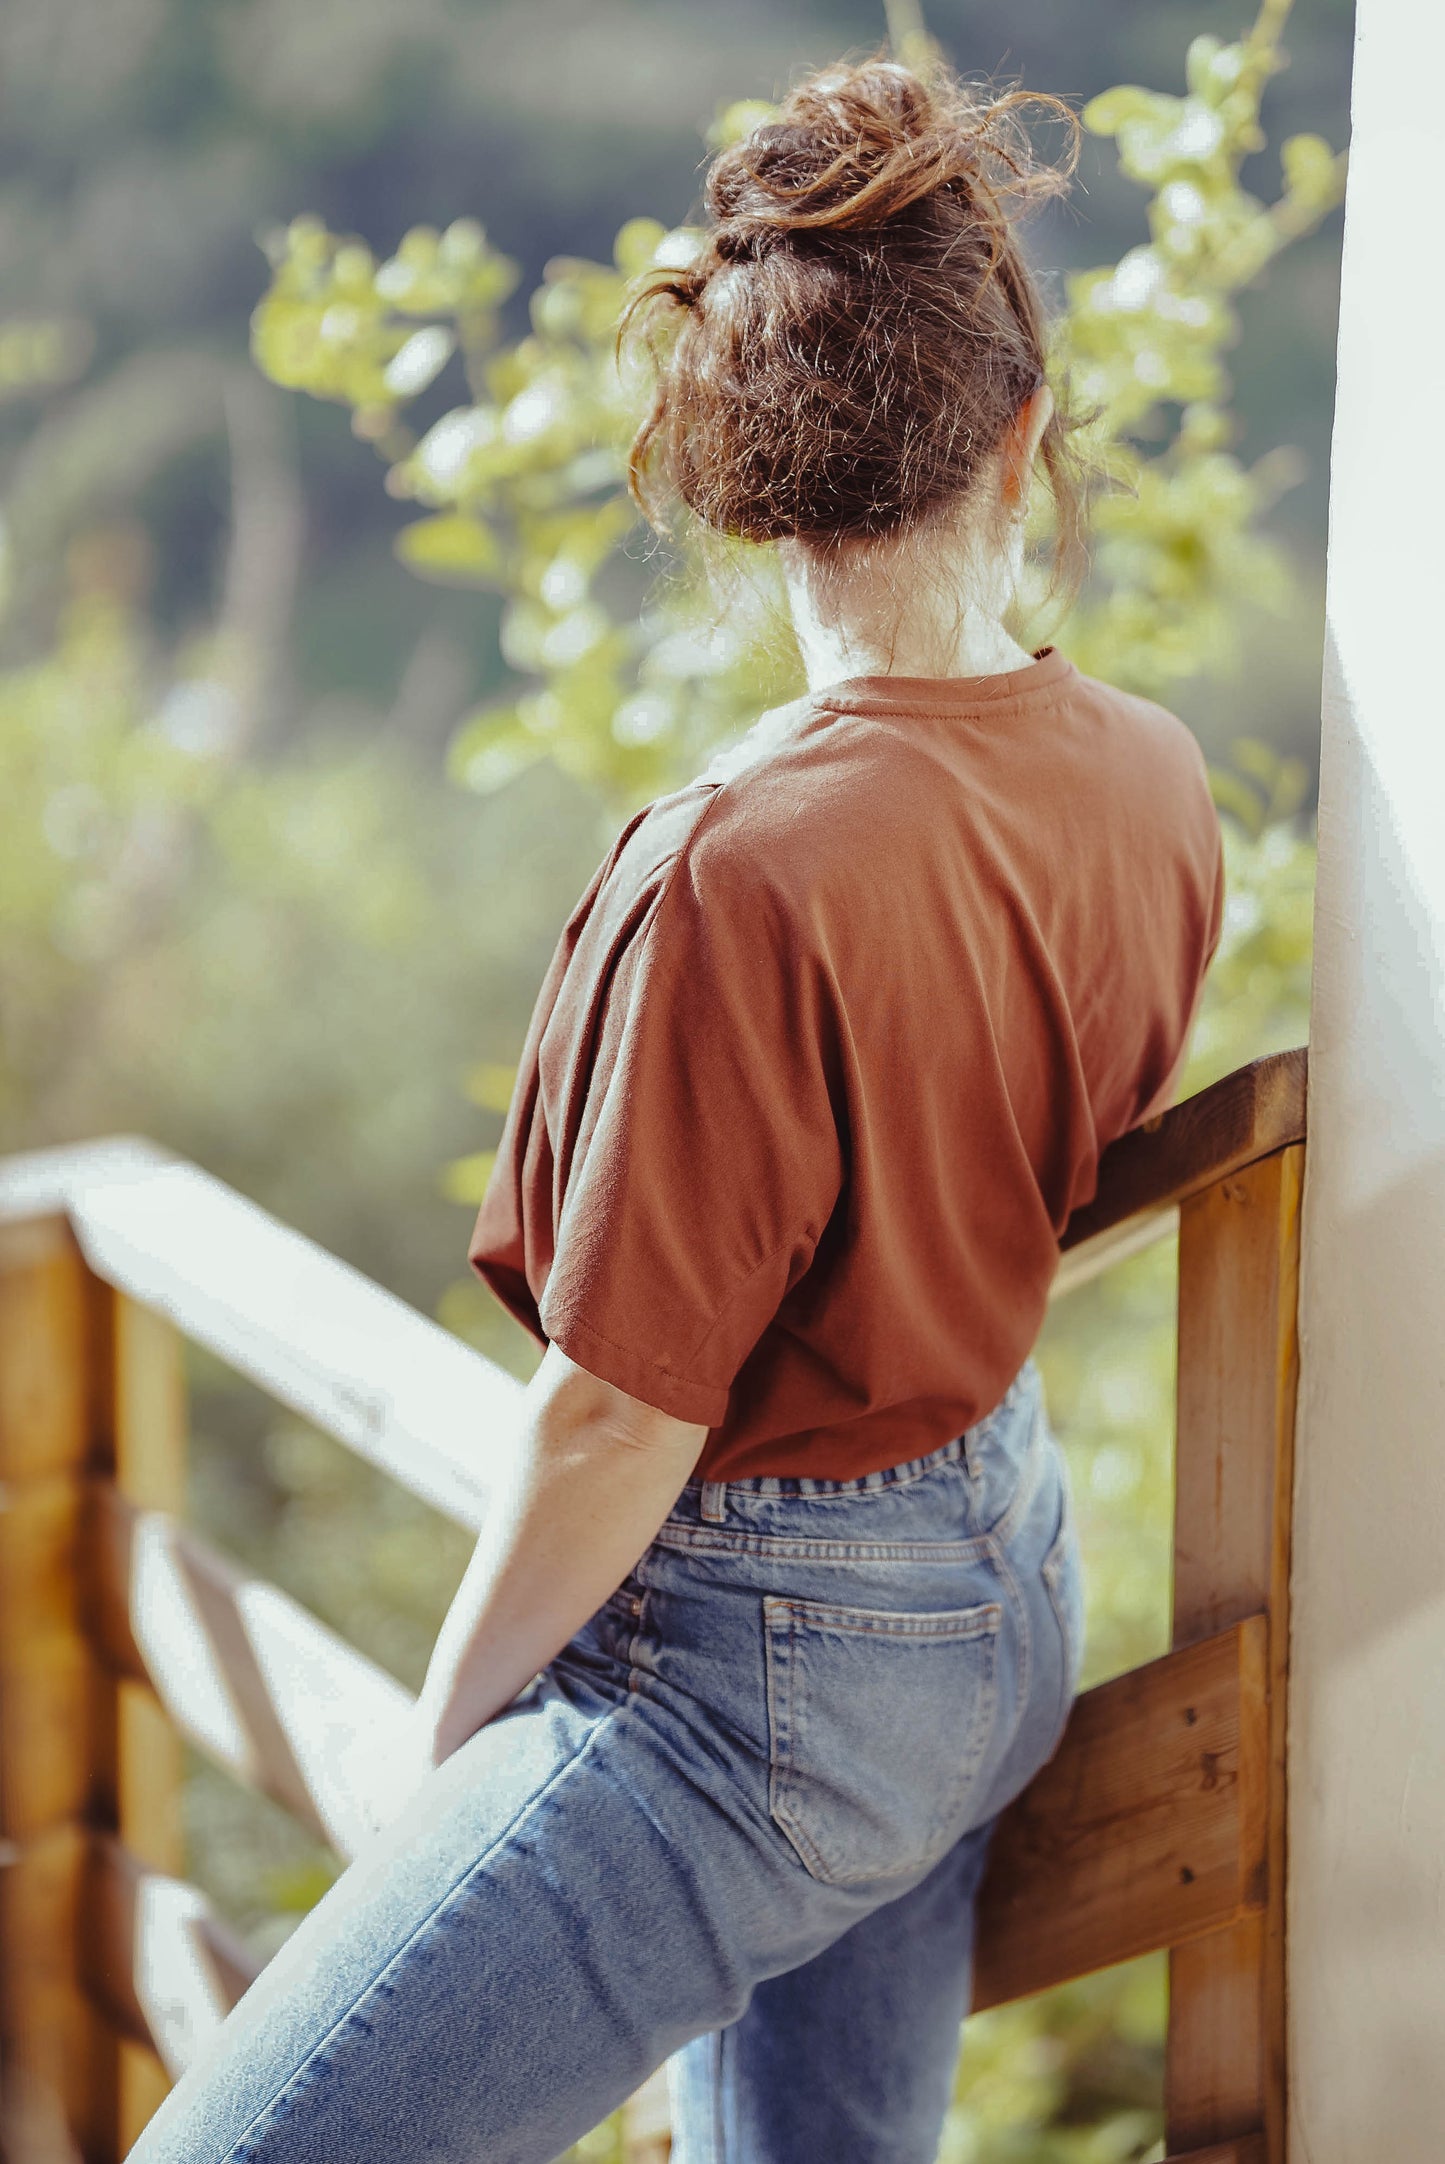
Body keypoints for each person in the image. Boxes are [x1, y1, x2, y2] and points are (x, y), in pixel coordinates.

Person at [130, 53, 1224, 2164]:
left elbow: (618, 1416)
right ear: (1024, 435)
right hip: (1003, 1576)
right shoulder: (1151, 775)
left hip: (761, 1685)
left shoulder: (737, 866)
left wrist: (441, 1763)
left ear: (749, 480)